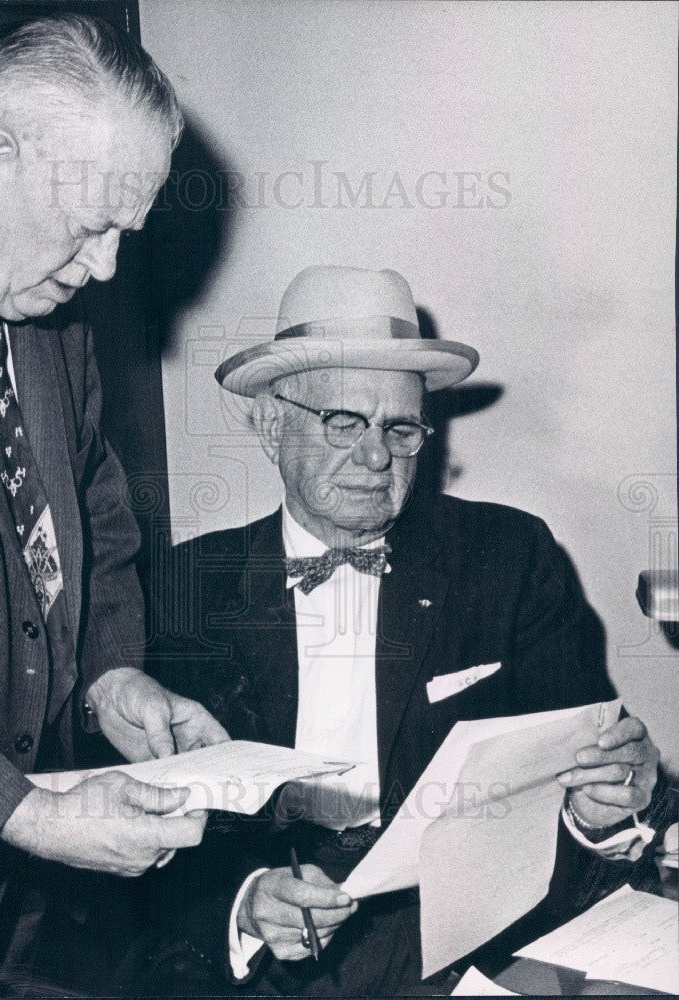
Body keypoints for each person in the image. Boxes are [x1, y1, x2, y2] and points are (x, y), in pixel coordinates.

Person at [149, 266, 668, 995]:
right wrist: (243, 904)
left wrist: (605, 808)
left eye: (400, 427)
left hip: (471, 942)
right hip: (268, 954)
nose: (376, 457)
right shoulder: (185, 589)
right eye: (343, 424)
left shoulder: (508, 557)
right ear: (270, 423)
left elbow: (583, 790)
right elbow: (147, 836)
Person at [0, 14, 228, 999]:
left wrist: (114, 680)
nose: (105, 270)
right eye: (90, 224)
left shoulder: (35, 295)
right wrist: (29, 815)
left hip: (29, 922)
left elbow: (93, 518)